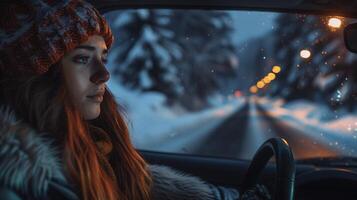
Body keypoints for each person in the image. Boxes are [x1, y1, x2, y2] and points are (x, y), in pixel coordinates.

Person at [0, 1, 270, 199]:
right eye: (83, 58)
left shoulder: (96, 149)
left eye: (103, 58)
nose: (104, 74)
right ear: (40, 75)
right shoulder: (25, 182)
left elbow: (143, 186)